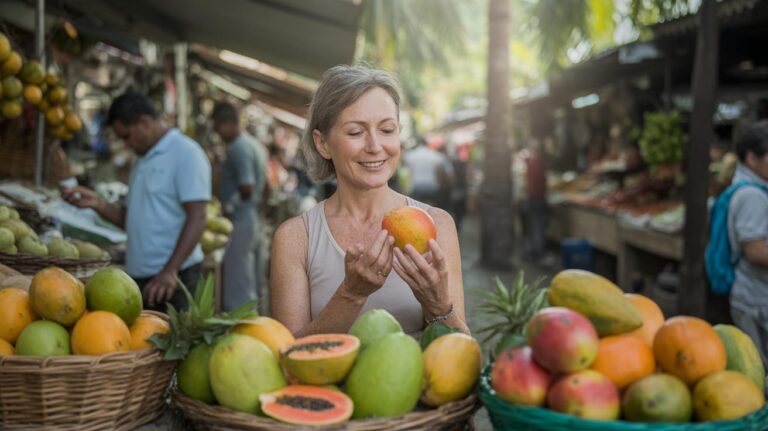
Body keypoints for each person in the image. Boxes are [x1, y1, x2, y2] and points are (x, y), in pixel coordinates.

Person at [270, 65, 469, 336]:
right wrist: (350, 295)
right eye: (355, 132)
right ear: (322, 143)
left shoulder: (438, 225)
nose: (375, 146)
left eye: (387, 129)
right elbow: (287, 354)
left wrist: (439, 306)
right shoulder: (295, 238)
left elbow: (462, 349)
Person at [62, 92, 211, 311]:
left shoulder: (187, 154)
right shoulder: (141, 161)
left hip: (175, 280)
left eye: (126, 136)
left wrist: (170, 270)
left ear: (144, 122)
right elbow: (129, 219)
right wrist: (97, 204)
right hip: (140, 279)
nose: (126, 144)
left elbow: (198, 216)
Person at [211, 102, 268, 311]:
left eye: (218, 128)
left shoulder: (238, 148)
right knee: (252, 278)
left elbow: (247, 186)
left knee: (239, 284)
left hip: (241, 218)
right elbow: (266, 187)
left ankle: (243, 323)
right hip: (253, 217)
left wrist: (228, 207)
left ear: (226, 124)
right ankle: (258, 320)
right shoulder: (254, 144)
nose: (218, 134)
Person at [727, 120, 768, 365]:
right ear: (752, 158)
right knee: (757, 368)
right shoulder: (752, 196)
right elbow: (755, 251)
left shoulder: (751, 188)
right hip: (755, 301)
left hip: (753, 297)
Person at [402, 138, 453, 209]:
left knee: (418, 209)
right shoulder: (436, 155)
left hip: (416, 186)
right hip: (432, 187)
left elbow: (406, 170)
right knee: (432, 209)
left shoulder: (410, 155)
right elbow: (447, 172)